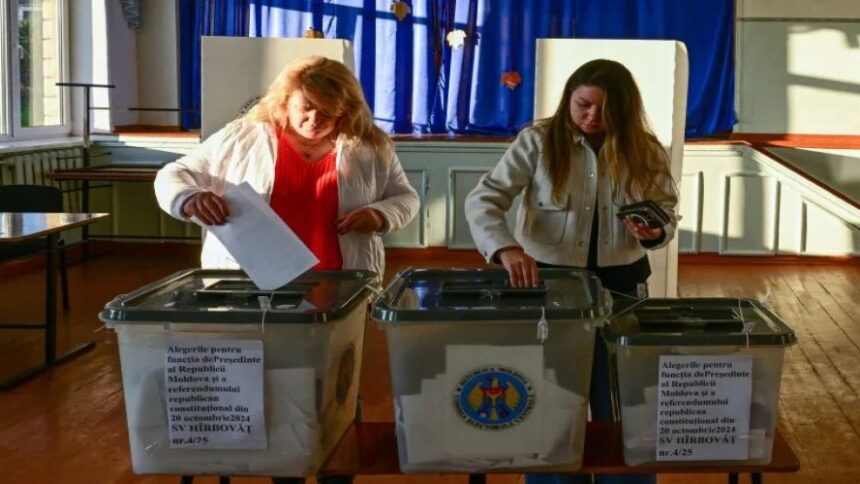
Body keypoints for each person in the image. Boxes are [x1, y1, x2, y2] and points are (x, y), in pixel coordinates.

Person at [154, 56, 420, 484]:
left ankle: (337, 472)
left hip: (339, 288)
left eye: (328, 112)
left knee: (338, 386)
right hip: (258, 287)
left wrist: (381, 214)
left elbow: (406, 197)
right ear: (285, 100)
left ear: (346, 110)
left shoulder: (370, 145)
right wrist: (188, 198)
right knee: (272, 385)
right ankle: (286, 472)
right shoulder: (244, 136)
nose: (315, 120)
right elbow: (175, 173)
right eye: (306, 107)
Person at [465, 59, 678, 484]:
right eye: (583, 105)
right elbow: (484, 199)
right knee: (551, 393)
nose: (591, 117)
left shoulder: (645, 149)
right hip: (549, 285)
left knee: (624, 393)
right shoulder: (537, 142)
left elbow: (667, 212)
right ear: (569, 99)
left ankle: (626, 478)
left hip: (622, 285)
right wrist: (506, 248)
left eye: (604, 109)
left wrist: (656, 230)